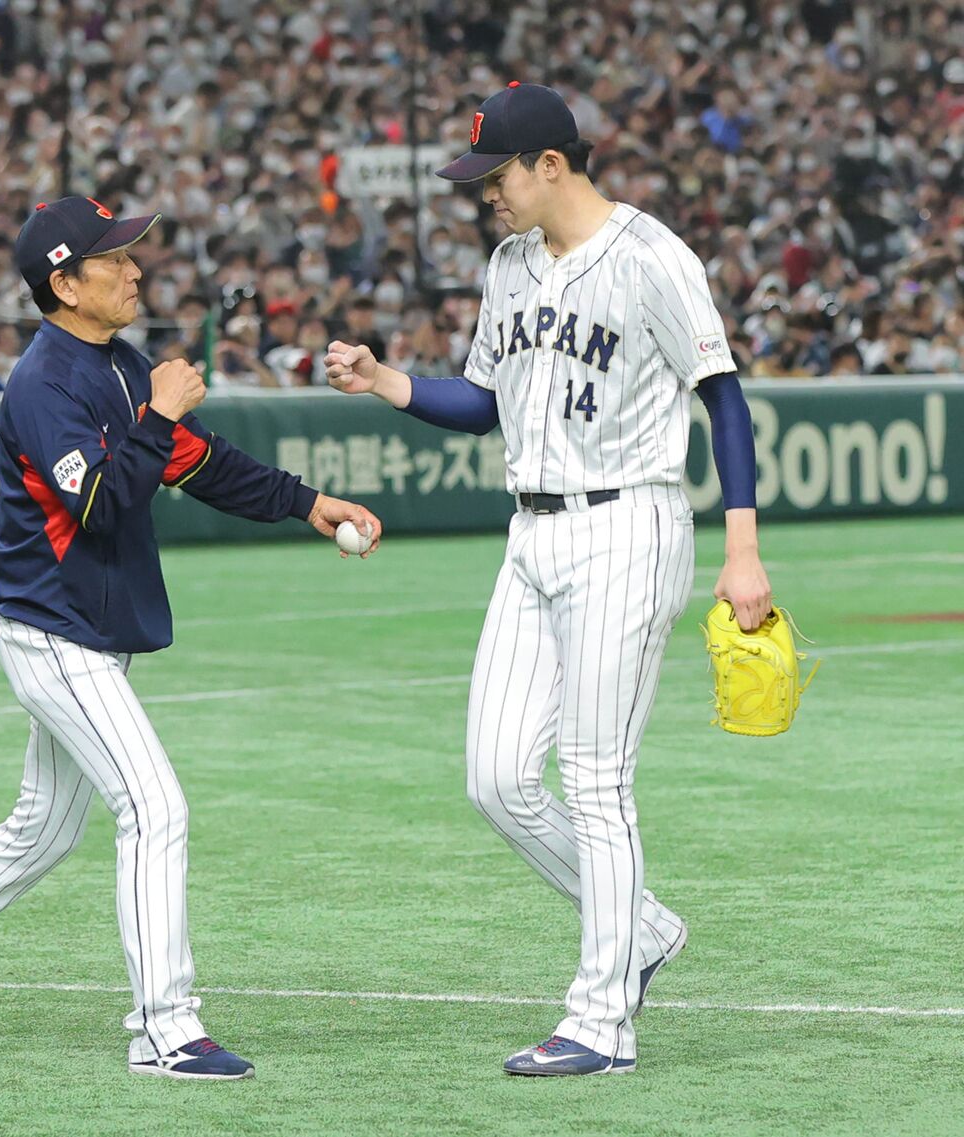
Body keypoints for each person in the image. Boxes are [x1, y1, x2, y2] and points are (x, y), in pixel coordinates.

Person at [0, 195, 381, 1081]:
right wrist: (162, 413)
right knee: (155, 806)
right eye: (114, 258)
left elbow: (200, 463)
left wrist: (307, 502)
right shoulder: (41, 383)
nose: (136, 267)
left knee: (43, 828)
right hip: (53, 631)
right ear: (63, 283)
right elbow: (100, 500)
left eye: (132, 252)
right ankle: (165, 1028)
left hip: (89, 629)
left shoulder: (121, 363)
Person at [327, 83, 769, 1077]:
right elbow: (484, 403)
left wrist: (741, 547)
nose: (484, 192)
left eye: (497, 175)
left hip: (629, 525)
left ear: (554, 165)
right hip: (530, 536)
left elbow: (725, 403)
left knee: (598, 780)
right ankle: (642, 931)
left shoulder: (654, 258)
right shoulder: (509, 265)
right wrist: (387, 382)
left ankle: (602, 1020)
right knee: (495, 777)